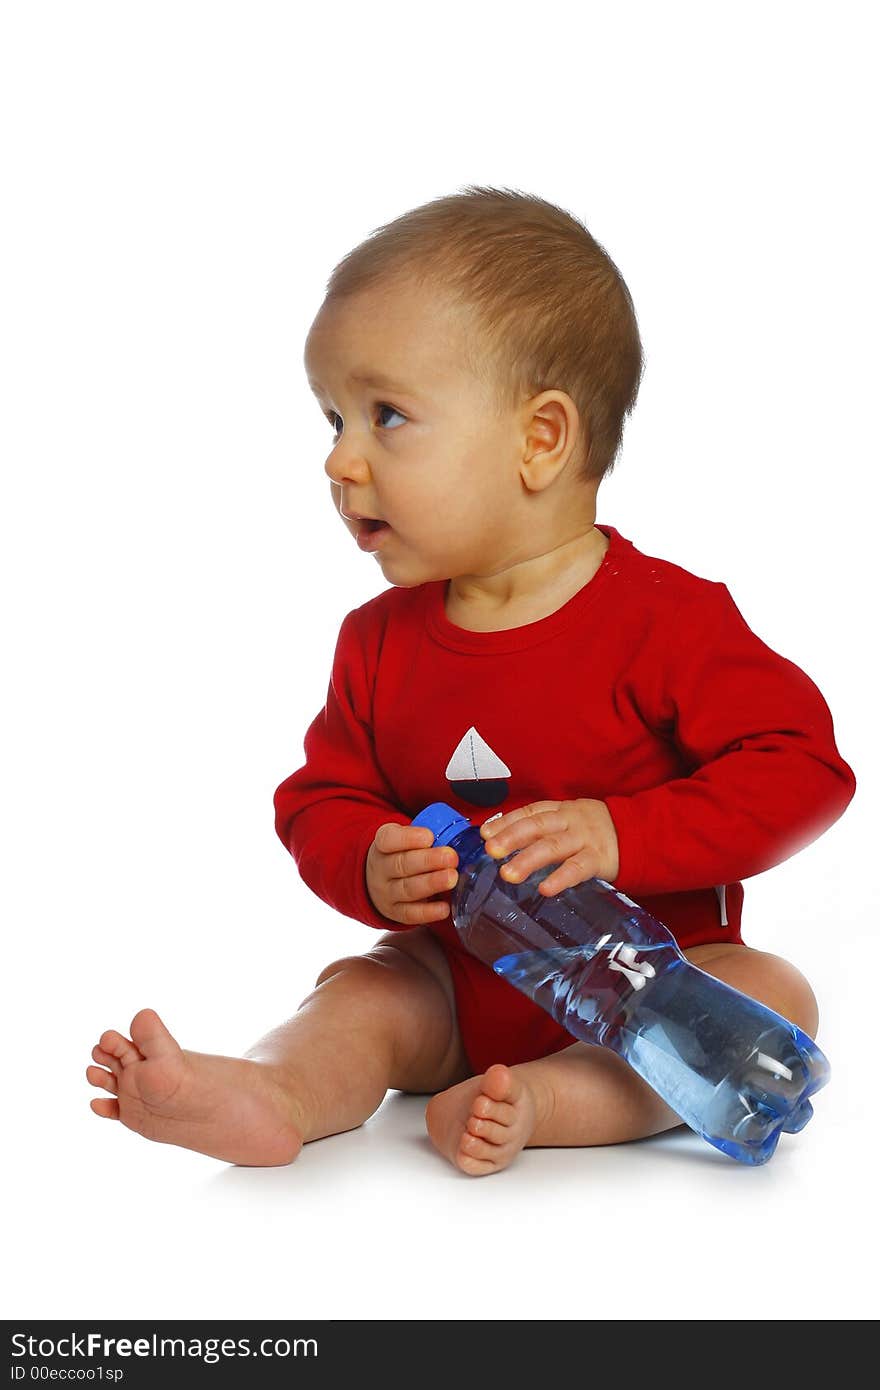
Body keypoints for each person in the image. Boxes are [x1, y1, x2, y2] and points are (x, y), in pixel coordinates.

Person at [86, 186, 856, 1175]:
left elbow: (802, 768)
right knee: (361, 996)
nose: (339, 458)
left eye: (386, 415)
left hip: (650, 981)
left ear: (540, 440)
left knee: (773, 994)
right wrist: (368, 858)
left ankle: (548, 1099)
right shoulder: (376, 643)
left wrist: (622, 833)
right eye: (331, 418)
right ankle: (275, 1089)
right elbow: (322, 797)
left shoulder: (669, 619)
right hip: (453, 979)